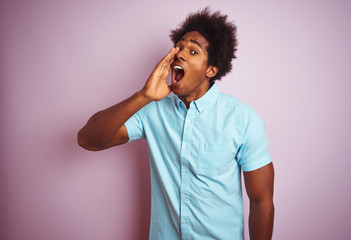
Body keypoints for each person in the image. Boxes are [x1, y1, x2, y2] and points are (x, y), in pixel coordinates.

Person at [78, 7, 274, 240]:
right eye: (179, 47)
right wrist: (143, 96)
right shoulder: (152, 111)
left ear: (210, 69)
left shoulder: (242, 119)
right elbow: (88, 140)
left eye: (193, 51)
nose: (180, 54)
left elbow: (261, 200)